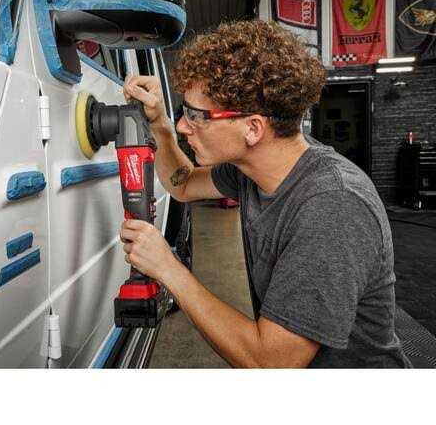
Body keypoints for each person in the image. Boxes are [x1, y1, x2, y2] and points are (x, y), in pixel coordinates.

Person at [120, 19, 410, 368]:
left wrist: (169, 268)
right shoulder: (250, 170)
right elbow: (183, 184)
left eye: (197, 116)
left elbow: (271, 363)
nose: (184, 125)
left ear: (253, 128)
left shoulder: (333, 205)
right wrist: (159, 124)